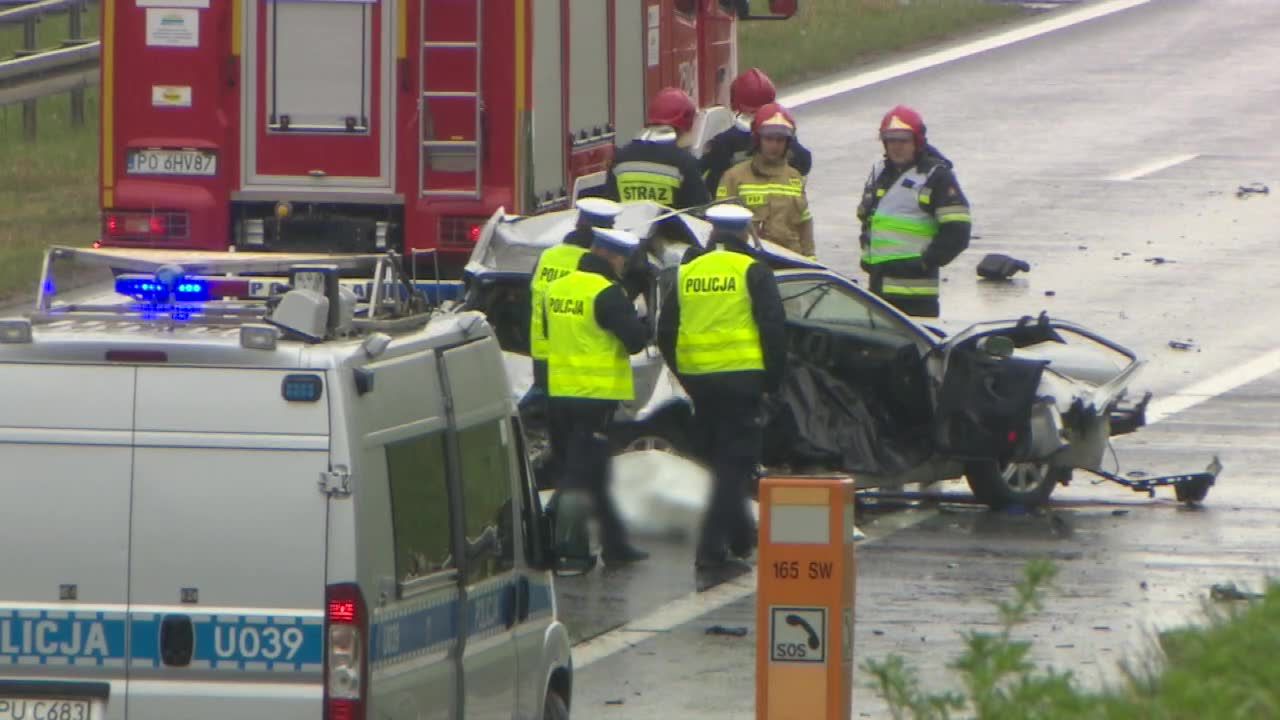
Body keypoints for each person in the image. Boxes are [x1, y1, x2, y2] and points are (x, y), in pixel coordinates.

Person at [657, 204, 788, 587]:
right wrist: (772, 381)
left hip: (701, 382)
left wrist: (688, 374)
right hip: (742, 381)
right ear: (745, 232)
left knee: (723, 463)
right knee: (734, 465)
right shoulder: (752, 270)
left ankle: (741, 538)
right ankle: (712, 552)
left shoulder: (688, 272)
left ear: (712, 232)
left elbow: (666, 331)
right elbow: (773, 329)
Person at [545, 227, 651, 570]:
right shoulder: (607, 293)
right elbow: (634, 341)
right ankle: (564, 546)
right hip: (595, 396)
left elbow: (551, 333)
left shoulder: (557, 288)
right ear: (612, 257)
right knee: (579, 473)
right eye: (622, 259)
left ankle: (615, 545)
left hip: (560, 392)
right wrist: (644, 323)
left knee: (595, 471)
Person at [529, 197, 624, 490]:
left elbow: (530, 305)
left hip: (543, 358)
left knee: (559, 440)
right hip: (578, 365)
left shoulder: (549, 256)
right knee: (582, 450)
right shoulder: (592, 266)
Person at [857, 105, 972, 318]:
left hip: (916, 295)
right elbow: (869, 218)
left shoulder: (936, 176)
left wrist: (925, 262)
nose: (896, 147)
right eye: (891, 140)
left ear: (917, 142)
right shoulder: (880, 172)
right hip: (878, 287)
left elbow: (958, 231)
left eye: (903, 140)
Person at [715, 103, 815, 258]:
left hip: (790, 262)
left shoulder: (795, 178)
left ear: (788, 142)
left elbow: (805, 225)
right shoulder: (733, 177)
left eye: (780, 140)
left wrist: (811, 262)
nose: (774, 146)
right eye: (768, 139)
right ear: (757, 139)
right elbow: (719, 228)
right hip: (748, 263)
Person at [701, 68, 813, 195]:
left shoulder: (723, 142)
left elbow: (709, 182)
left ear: (735, 104)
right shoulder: (783, 136)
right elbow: (804, 164)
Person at [605, 87, 711, 210]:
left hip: (627, 228)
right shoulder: (685, 163)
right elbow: (699, 210)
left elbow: (610, 206)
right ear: (685, 124)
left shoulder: (620, 158)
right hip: (671, 229)